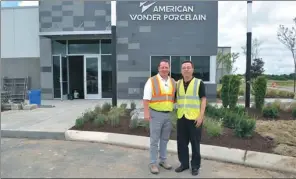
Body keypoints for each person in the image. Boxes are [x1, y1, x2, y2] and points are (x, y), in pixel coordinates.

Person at [143, 60, 176, 174]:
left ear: (169, 68)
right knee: (154, 140)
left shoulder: (172, 81)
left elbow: (174, 98)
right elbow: (146, 99)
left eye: (166, 67)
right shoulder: (152, 81)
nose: (164, 69)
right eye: (162, 67)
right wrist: (146, 113)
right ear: (158, 68)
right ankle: (153, 163)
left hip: (168, 114)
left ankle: (163, 160)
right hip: (155, 114)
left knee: (164, 140)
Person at [174, 60, 207, 176]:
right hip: (181, 117)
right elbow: (173, 99)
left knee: (195, 143)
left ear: (192, 70)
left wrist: (201, 116)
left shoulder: (199, 83)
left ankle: (195, 166)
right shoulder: (177, 84)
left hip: (194, 118)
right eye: (184, 68)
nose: (186, 69)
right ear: (181, 71)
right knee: (182, 143)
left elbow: (203, 99)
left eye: (188, 67)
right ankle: (184, 164)